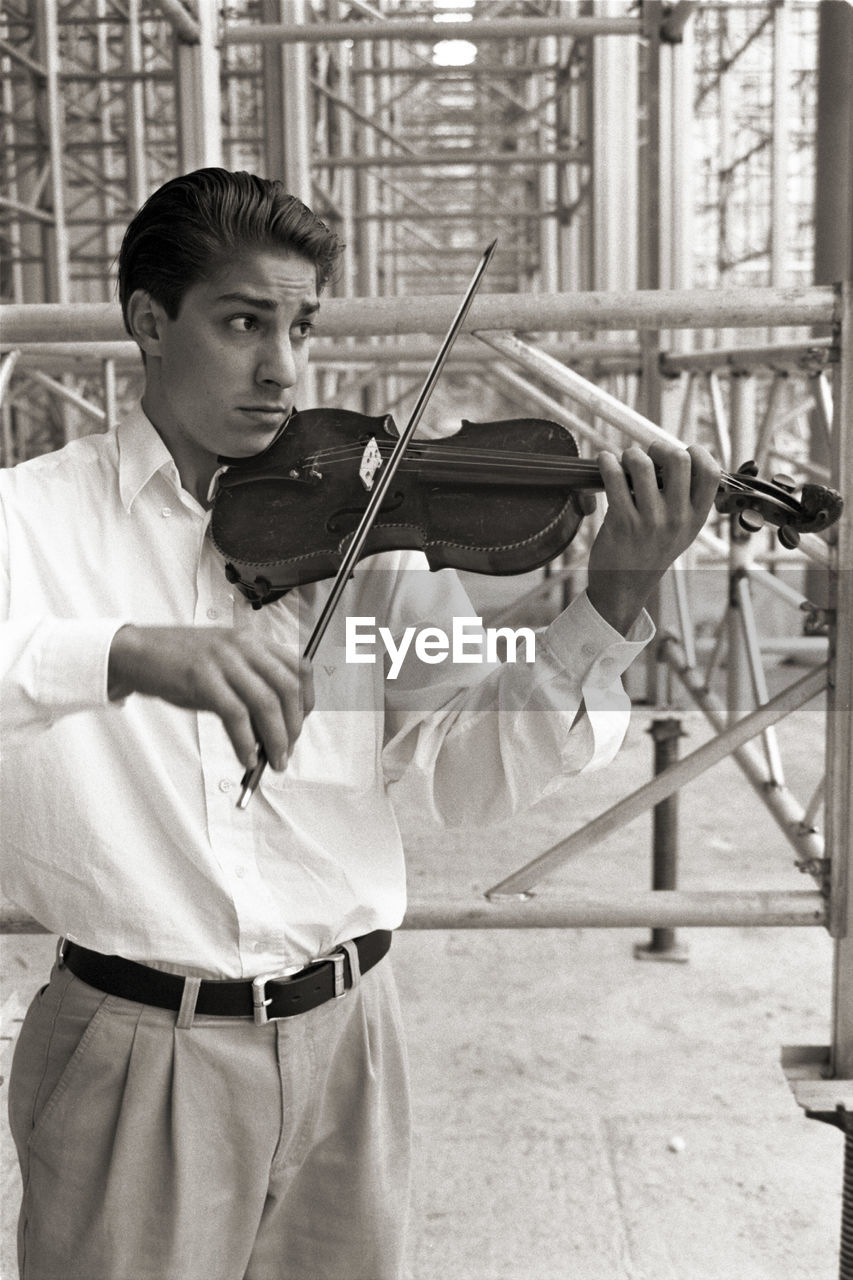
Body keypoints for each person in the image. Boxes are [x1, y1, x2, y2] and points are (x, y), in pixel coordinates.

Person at [1, 167, 720, 1280]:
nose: (282, 368)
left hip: (347, 1038)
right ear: (150, 321)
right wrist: (126, 649)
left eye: (300, 325)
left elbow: (455, 771)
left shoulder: (369, 533)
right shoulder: (29, 521)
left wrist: (610, 601)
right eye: (244, 322)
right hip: (133, 1051)